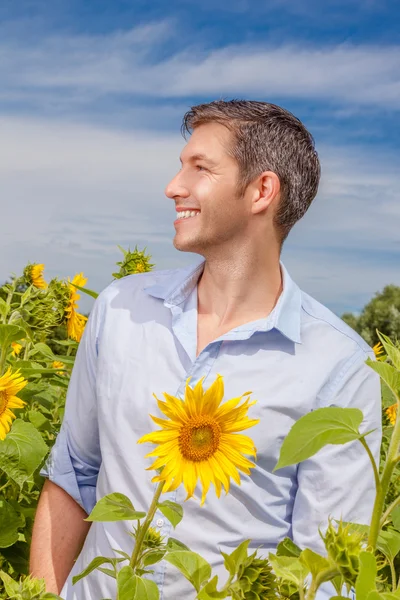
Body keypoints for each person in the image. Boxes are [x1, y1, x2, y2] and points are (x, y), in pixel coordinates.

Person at [30, 100, 382, 599]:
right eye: (180, 166)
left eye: (200, 168)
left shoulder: (338, 365)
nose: (174, 186)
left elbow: (325, 569)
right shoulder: (122, 309)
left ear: (262, 190)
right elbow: (74, 474)